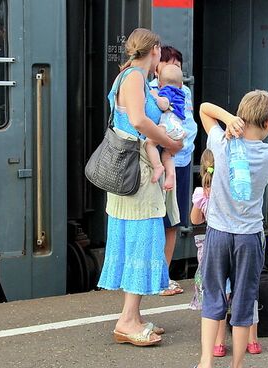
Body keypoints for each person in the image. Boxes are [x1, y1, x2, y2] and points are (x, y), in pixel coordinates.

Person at [95, 27, 183, 347]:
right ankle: (128, 320)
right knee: (144, 239)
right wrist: (169, 141)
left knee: (137, 238)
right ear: (155, 50)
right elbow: (137, 121)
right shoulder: (133, 78)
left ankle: (134, 315)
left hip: (134, 169)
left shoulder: (134, 78)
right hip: (137, 171)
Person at [195, 90, 268, 368]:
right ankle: (237, 365)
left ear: (240, 116)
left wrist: (228, 119)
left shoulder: (220, 143)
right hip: (249, 237)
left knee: (213, 296)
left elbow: (205, 108)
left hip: (217, 233)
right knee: (244, 301)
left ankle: (206, 361)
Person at [189, 149, 262, 358]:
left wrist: (200, 202)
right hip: (242, 239)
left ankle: (219, 344)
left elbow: (195, 221)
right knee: (246, 294)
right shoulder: (232, 188)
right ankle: (252, 340)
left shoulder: (201, 193)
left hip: (210, 249)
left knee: (217, 295)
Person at [150, 46, 198, 297]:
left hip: (179, 162)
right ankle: (151, 276)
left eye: (178, 64)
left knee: (172, 223)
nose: (175, 68)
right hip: (153, 163)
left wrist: (173, 146)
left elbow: (189, 128)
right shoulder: (148, 91)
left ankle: (163, 275)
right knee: (154, 221)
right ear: (157, 69)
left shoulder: (184, 91)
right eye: (170, 64)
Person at [145, 64, 186, 190]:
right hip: (178, 126)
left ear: (160, 84)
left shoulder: (166, 91)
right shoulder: (181, 93)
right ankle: (171, 174)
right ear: (181, 84)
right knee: (167, 155)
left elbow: (164, 104)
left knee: (149, 143)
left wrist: (156, 96)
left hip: (168, 123)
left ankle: (157, 166)